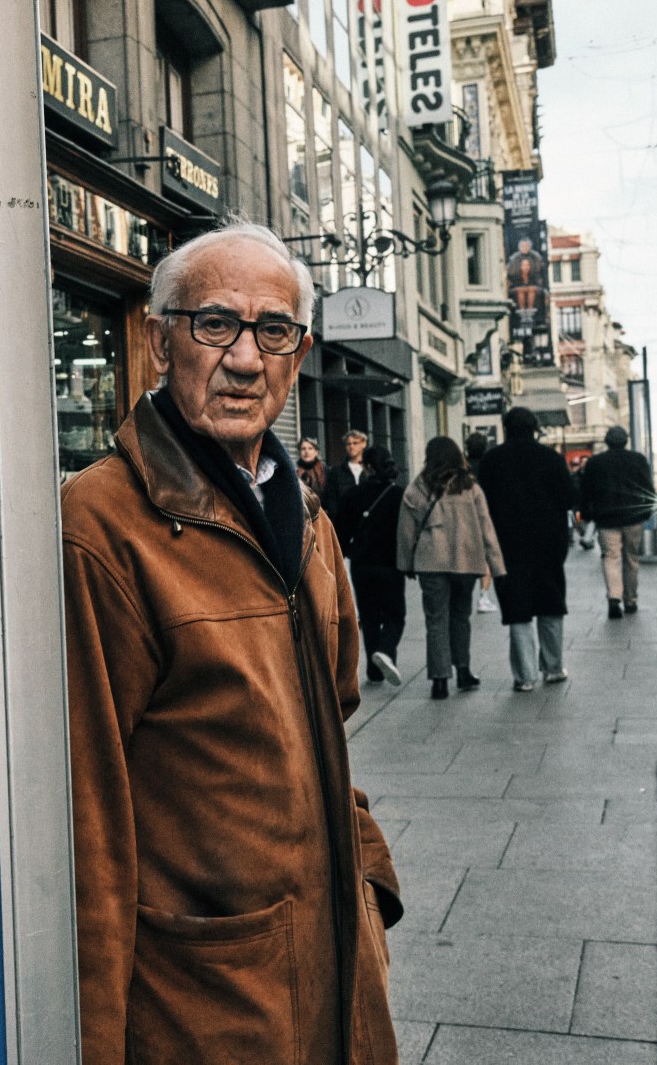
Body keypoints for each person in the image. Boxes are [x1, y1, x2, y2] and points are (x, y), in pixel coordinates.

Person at [64, 220, 402, 1064]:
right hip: (206, 1003)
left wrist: (368, 880)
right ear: (157, 344)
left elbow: (332, 712)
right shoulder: (101, 527)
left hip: (334, 967)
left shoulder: (311, 521)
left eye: (273, 330)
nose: (246, 358)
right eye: (215, 324)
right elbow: (86, 824)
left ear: (298, 353)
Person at [396, 437, 506, 700]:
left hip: (430, 562)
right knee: (460, 617)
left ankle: (440, 680)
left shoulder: (418, 487)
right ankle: (464, 671)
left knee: (436, 620)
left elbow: (405, 531)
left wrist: (406, 564)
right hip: (466, 562)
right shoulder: (470, 487)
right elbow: (486, 527)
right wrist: (497, 565)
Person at [477, 407, 577, 691]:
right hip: (548, 545)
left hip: (508, 546)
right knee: (550, 604)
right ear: (534, 428)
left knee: (517, 609)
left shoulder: (491, 460)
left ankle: (525, 676)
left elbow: (483, 506)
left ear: (506, 428)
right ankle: (554, 667)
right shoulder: (551, 458)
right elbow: (570, 498)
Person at [342, 445, 406, 686]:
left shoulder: (352, 495)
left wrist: (349, 551)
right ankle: (386, 652)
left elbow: (340, 531)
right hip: (391, 564)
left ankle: (374, 670)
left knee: (369, 616)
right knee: (394, 615)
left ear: (366, 467)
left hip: (362, 565)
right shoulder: (398, 495)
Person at [580, 425, 653, 618]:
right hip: (633, 519)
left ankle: (614, 597)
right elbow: (647, 487)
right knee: (631, 559)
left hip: (606, 519)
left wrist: (587, 515)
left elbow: (586, 491)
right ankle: (631, 600)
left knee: (611, 557)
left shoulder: (596, 462)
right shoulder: (638, 460)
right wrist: (646, 512)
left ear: (607, 441)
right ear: (626, 441)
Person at [321, 427, 369, 532]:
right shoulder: (336, 472)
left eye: (355, 443)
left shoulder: (369, 470)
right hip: (344, 526)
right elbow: (330, 499)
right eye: (348, 444)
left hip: (367, 525)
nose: (351, 446)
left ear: (363, 444)